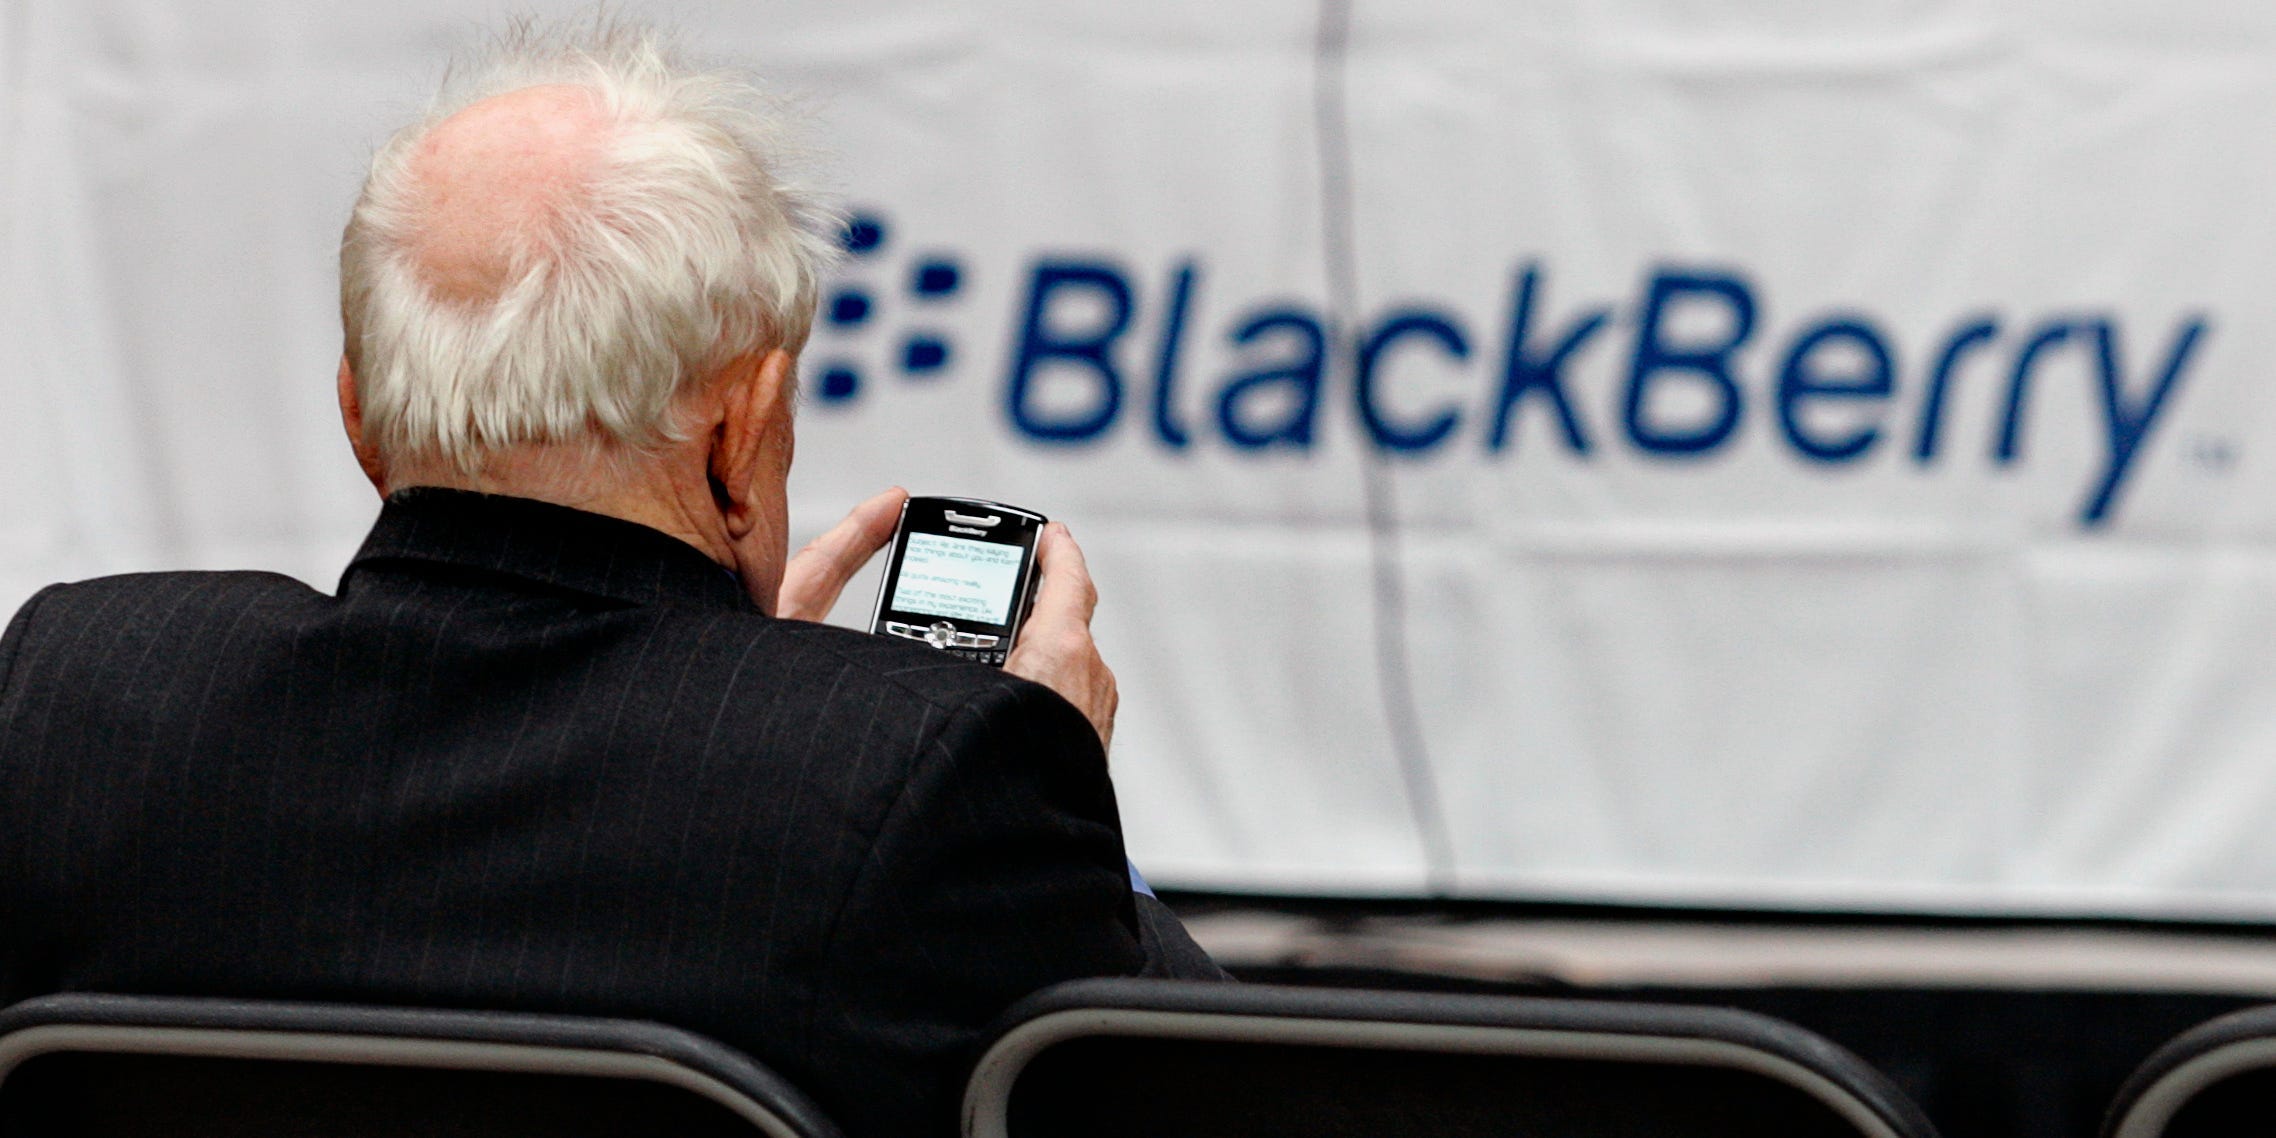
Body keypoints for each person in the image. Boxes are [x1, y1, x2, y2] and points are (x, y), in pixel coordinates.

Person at [0, 19, 1223, 1137]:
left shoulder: (79, 690)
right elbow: (1185, 1099)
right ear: (740, 435)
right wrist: (1031, 761)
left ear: (359, 418)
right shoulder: (930, 771)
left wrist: (772, 702)